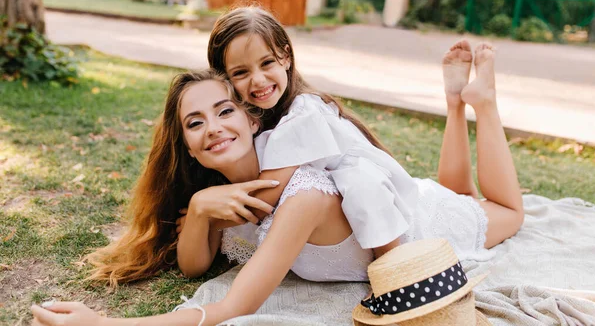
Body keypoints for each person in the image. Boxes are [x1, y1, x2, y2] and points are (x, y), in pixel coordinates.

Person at [31, 39, 524, 325]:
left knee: (502, 209)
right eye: (195, 122)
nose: (214, 128)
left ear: (251, 119)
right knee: (457, 188)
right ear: (184, 143)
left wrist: (105, 324)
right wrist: (201, 208)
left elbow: (232, 306)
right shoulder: (226, 196)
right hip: (396, 201)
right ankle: (456, 103)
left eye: (224, 110)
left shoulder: (304, 192)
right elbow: (194, 268)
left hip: (423, 227)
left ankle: (480, 102)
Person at [206, 6, 523, 256]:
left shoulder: (303, 114)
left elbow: (261, 199)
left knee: (510, 212)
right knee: (461, 196)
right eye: (241, 72)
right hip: (406, 202)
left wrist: (205, 213)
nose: (258, 80)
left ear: (286, 57)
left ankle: (484, 102)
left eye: (266, 63)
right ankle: (455, 104)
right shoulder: (258, 119)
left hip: (407, 229)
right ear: (223, 79)